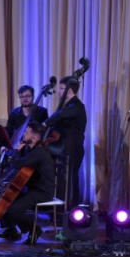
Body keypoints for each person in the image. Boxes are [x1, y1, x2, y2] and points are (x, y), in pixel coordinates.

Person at [0, 122, 56, 244]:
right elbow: (18, 162)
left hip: (42, 191)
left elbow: (18, 163)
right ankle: (12, 231)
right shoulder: (30, 148)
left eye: (27, 133)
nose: (24, 134)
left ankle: (34, 229)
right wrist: (9, 152)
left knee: (13, 210)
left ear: (34, 138)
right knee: (3, 197)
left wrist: (16, 150)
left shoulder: (39, 152)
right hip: (31, 188)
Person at [43, 76, 87, 207]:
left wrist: (45, 123)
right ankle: (62, 208)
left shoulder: (77, 106)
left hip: (74, 148)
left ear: (69, 91)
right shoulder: (69, 106)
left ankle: (72, 211)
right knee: (66, 180)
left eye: (61, 89)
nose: (59, 92)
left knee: (72, 180)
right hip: (66, 147)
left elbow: (60, 115)